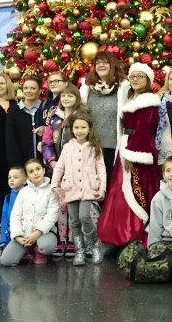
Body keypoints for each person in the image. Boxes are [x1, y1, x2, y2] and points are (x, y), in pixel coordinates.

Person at [97, 62, 161, 247]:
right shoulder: (131, 98)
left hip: (138, 148)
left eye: (140, 76)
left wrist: (133, 156)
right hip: (126, 146)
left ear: (148, 80)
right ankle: (119, 235)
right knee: (120, 191)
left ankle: (137, 234)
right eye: (133, 76)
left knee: (136, 189)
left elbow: (143, 130)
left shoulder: (149, 101)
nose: (135, 80)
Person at [41, 82, 89, 258]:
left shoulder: (82, 118)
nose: (67, 98)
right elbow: (47, 142)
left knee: (75, 208)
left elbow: (89, 143)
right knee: (61, 205)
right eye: (64, 96)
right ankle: (63, 240)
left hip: (77, 171)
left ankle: (76, 242)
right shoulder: (54, 119)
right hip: (57, 170)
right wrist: (52, 162)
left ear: (76, 98)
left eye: (70, 95)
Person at [51, 114, 107, 266]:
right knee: (74, 221)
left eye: (83, 127)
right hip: (70, 188)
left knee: (84, 217)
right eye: (76, 127)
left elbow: (101, 169)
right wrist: (54, 184)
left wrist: (102, 188)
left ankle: (94, 245)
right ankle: (80, 251)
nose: (80, 130)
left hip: (89, 188)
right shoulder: (68, 147)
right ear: (72, 129)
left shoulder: (95, 146)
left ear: (89, 129)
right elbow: (60, 166)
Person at [80, 51, 129, 194]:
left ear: (112, 65)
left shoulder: (123, 87)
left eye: (105, 62)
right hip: (91, 146)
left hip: (112, 146)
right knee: (91, 187)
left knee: (109, 188)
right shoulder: (86, 87)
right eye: (98, 62)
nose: (101, 65)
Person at [0, 159, 59, 266]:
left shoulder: (51, 191)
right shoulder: (23, 192)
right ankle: (28, 249)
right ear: (27, 176)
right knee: (6, 261)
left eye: (38, 169)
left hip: (44, 233)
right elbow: (15, 215)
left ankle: (38, 250)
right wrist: (17, 236)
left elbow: (52, 216)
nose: (35, 173)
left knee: (47, 246)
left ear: (44, 170)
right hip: (24, 234)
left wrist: (37, 233)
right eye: (31, 171)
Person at [6, 75, 43, 168]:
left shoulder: (44, 109)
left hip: (45, 164)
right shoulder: (14, 111)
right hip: (22, 164)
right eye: (26, 88)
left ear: (39, 91)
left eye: (33, 88)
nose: (28, 91)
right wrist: (16, 166)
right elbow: (11, 141)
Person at [0, 166, 27, 257]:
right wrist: (3, 241)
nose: (11, 180)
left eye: (15, 177)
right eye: (9, 177)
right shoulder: (8, 197)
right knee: (5, 257)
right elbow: (4, 220)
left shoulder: (29, 194)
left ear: (25, 180)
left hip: (27, 234)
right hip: (12, 235)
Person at [33, 71, 69, 143]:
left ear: (66, 83)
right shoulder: (44, 103)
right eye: (50, 82)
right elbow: (38, 123)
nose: (52, 84)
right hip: (47, 146)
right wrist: (40, 142)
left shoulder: (68, 101)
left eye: (56, 81)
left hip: (63, 145)